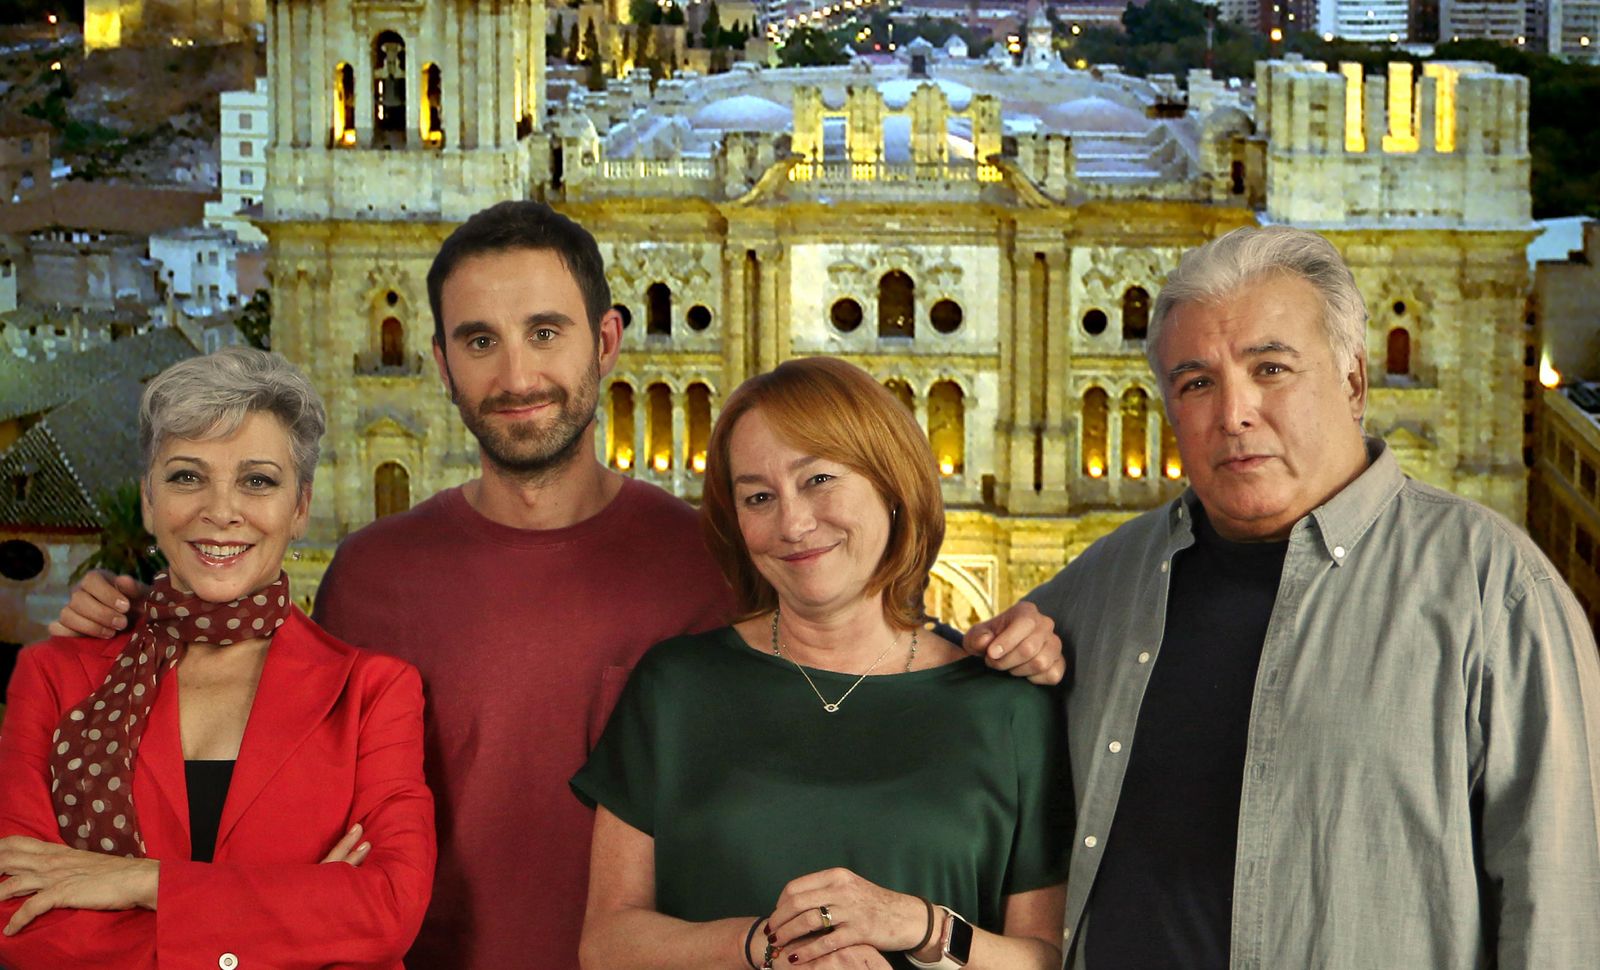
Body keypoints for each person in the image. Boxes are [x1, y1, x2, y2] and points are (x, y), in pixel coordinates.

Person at [51, 201, 1067, 970]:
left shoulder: (716, 558)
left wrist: (990, 645)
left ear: (606, 343)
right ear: (442, 362)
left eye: (545, 332)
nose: (515, 374)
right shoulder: (372, 575)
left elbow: (851, 651)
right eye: (478, 341)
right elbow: (262, 767)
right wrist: (141, 625)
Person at [979, 225, 1600, 969]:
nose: (1234, 412)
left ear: (1353, 382)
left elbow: (1558, 915)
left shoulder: (1495, 594)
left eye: (1270, 367)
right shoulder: (1102, 584)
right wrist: (998, 658)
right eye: (1196, 381)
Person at [573, 356, 1072, 970]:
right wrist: (770, 945)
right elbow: (607, 945)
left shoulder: (1009, 704)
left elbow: (1045, 959)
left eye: (818, 480)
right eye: (759, 496)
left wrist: (916, 926)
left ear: (891, 485)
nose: (794, 523)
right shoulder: (674, 686)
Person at [0, 348, 435, 969]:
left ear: (300, 507)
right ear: (150, 501)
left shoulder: (373, 694)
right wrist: (298, 925)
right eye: (186, 477)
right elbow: (18, 919)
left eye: (258, 480)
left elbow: (389, 909)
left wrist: (143, 882)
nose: (221, 510)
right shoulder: (55, 676)